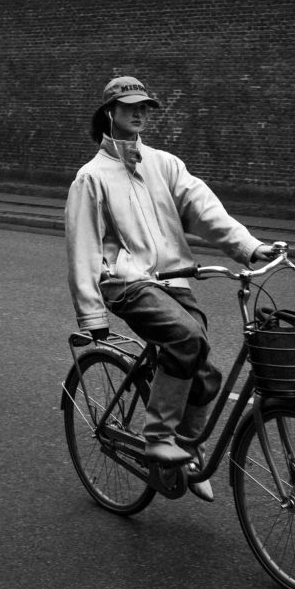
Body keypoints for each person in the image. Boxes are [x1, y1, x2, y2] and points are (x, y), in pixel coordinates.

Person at [65, 75, 276, 502]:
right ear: (110, 113)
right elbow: (83, 247)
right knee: (185, 336)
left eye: (145, 106)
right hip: (126, 282)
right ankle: (159, 437)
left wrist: (251, 248)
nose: (140, 112)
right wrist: (92, 314)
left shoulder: (165, 164)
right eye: (130, 106)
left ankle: (184, 452)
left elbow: (204, 208)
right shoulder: (92, 177)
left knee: (207, 377)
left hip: (173, 281)